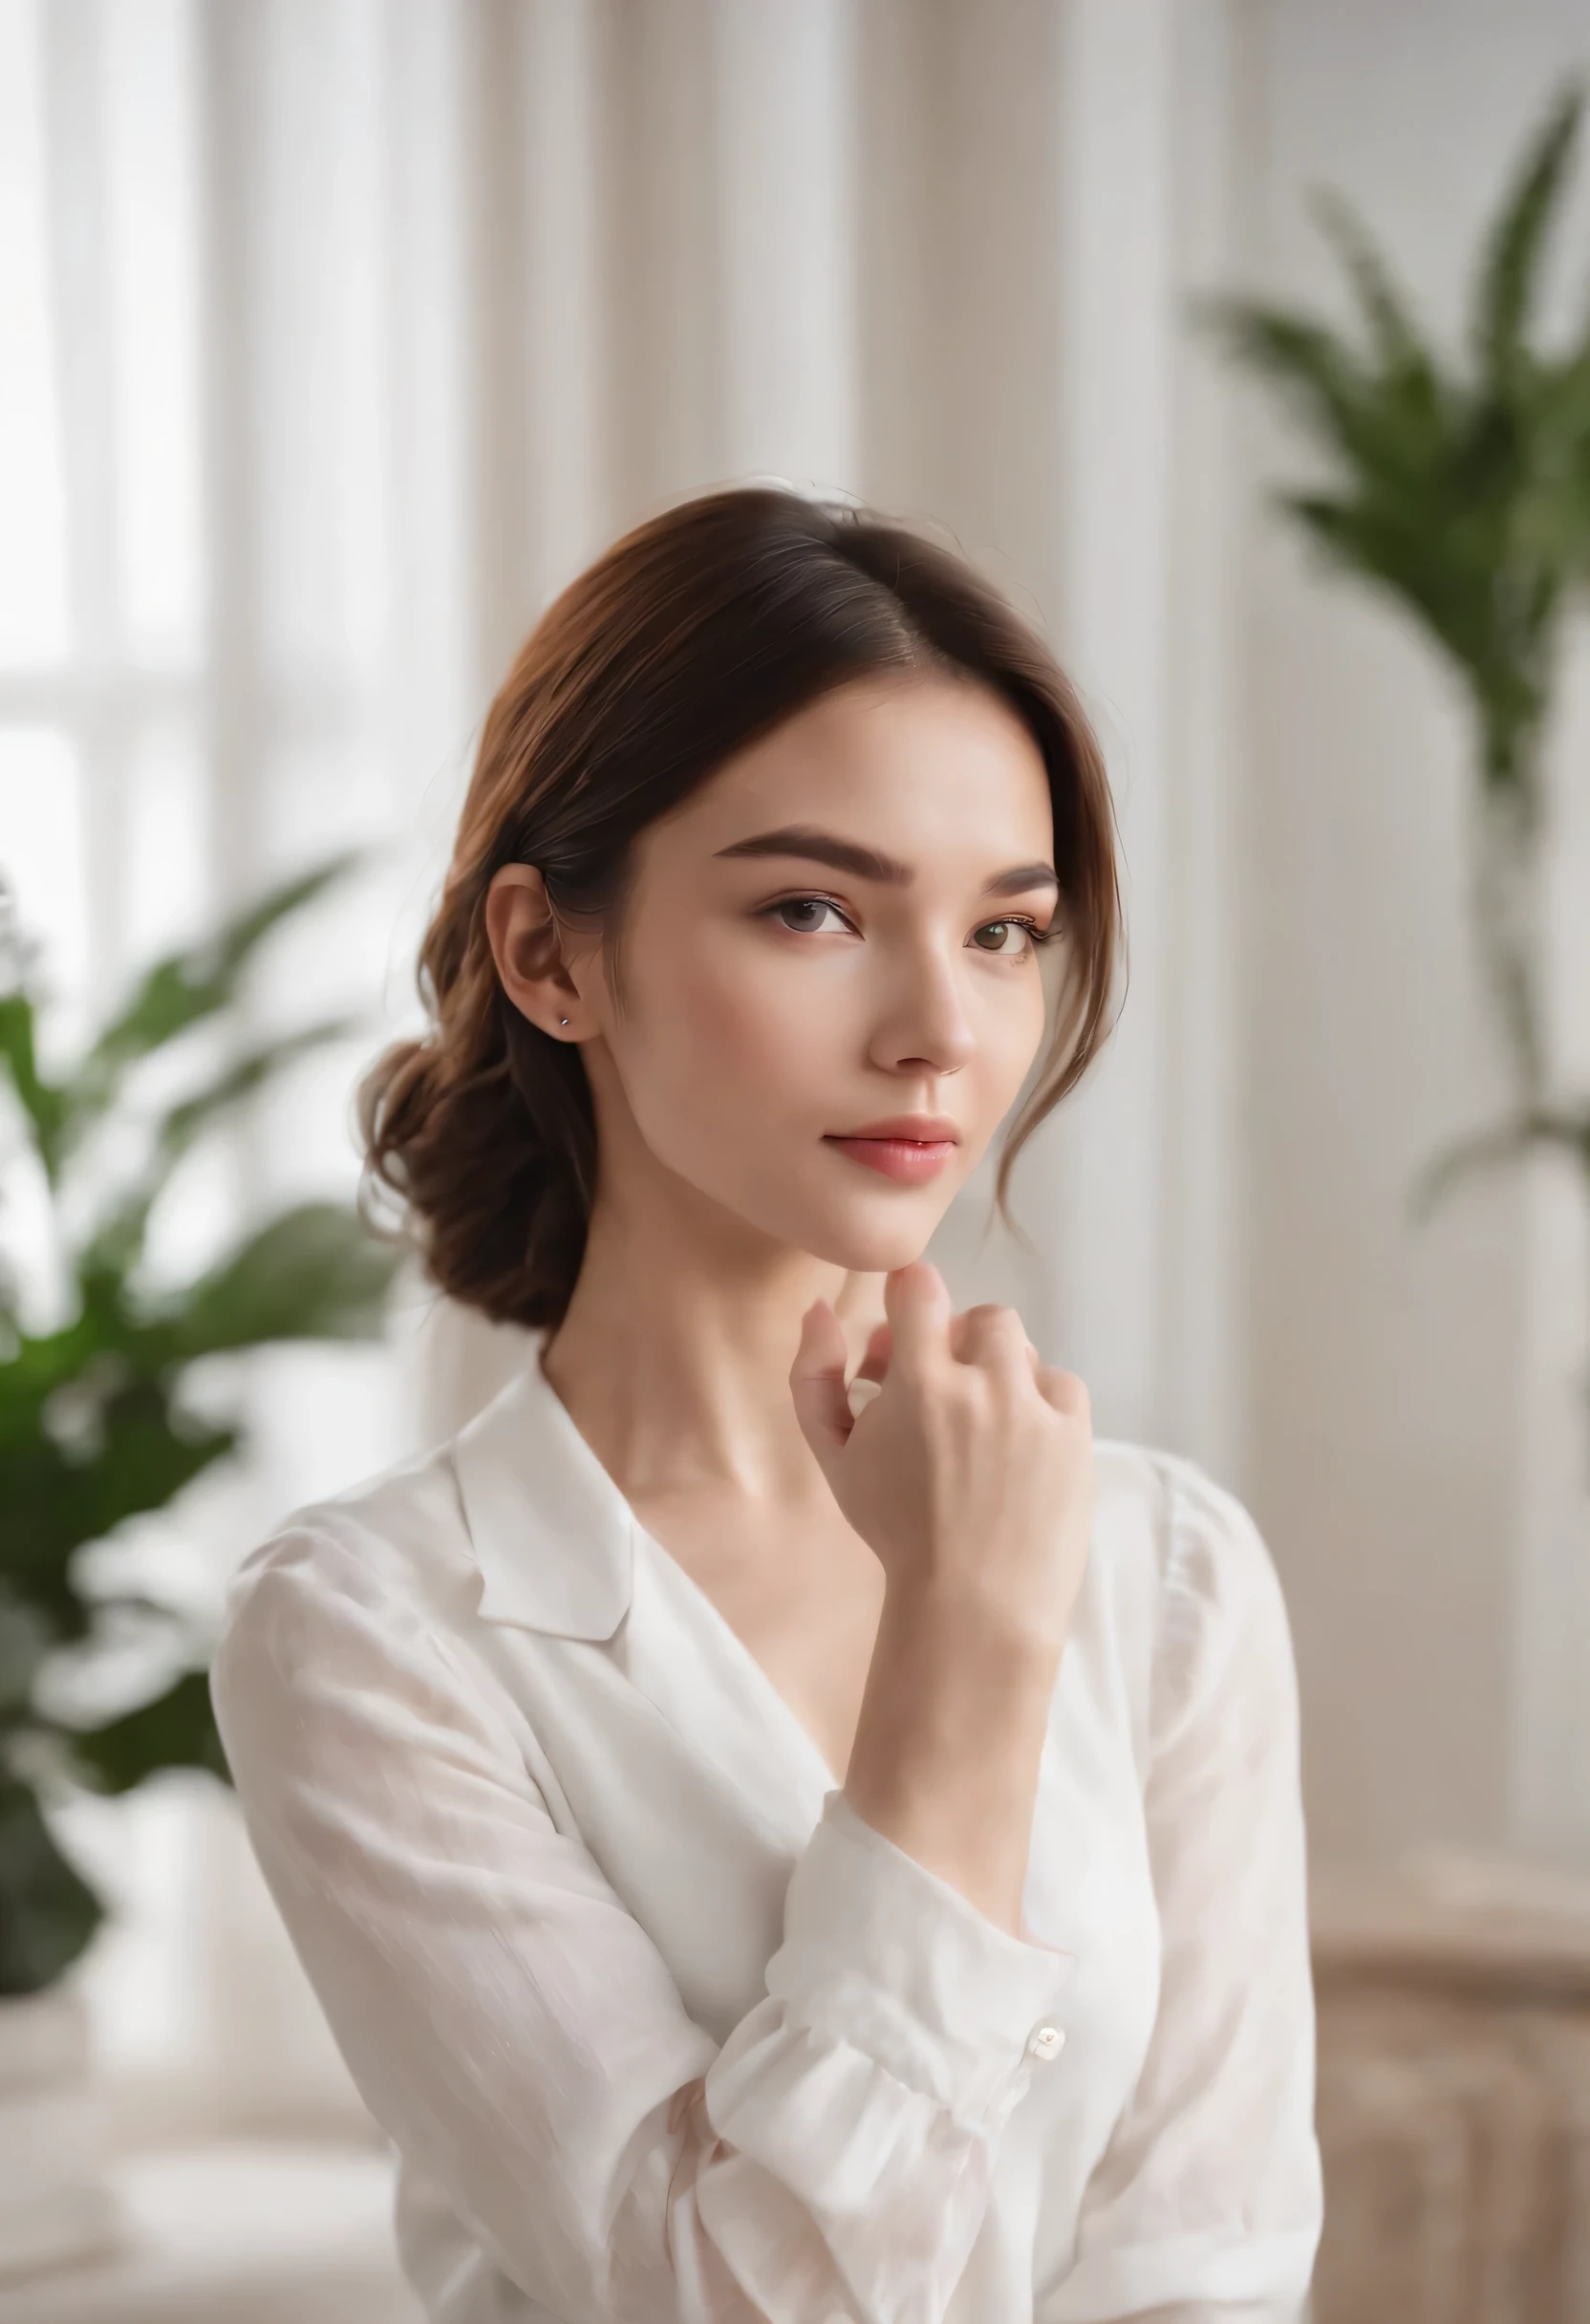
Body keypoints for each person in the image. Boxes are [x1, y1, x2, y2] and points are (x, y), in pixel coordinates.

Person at [210, 484, 1323, 2324]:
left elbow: (1211, 2263)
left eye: (1003, 931)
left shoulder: (1172, 1570)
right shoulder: (367, 1633)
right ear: (550, 955)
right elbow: (714, 2298)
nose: (941, 1033)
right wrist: (962, 1649)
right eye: (815, 908)